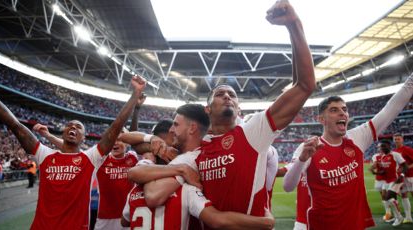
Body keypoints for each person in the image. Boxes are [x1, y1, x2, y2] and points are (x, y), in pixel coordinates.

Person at [135, 2, 316, 224]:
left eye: (233, 95)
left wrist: (294, 25)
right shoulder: (198, 149)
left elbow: (305, 85)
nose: (228, 96)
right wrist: (176, 164)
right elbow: (152, 193)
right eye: (221, 94)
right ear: (207, 109)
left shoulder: (254, 130)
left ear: (238, 108)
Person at [0, 73, 146, 229]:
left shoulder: (90, 158)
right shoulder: (44, 155)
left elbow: (115, 127)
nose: (73, 127)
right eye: (69, 125)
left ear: (83, 138)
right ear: (63, 132)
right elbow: (16, 126)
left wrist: (135, 94)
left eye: (78, 127)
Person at [283, 73, 413, 229]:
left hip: (355, 224)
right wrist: (302, 160)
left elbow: (392, 108)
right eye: (334, 110)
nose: (342, 113)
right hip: (322, 225)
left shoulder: (358, 137)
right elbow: (288, 186)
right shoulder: (310, 147)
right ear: (321, 119)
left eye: (344, 109)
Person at [121, 104, 274, 229]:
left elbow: (152, 194)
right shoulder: (173, 153)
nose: (171, 129)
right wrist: (152, 138)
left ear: (192, 128)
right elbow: (126, 139)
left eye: (175, 124)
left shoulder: (195, 159)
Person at [32, 124, 139, 230]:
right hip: (104, 217)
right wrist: (48, 135)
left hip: (128, 214)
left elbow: (135, 138)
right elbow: (70, 149)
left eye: (120, 139)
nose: (115, 143)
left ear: (126, 143)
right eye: (113, 140)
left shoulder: (133, 158)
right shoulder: (100, 159)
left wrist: (136, 110)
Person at [375, 140, 407, 226]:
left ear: (389, 146)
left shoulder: (395, 155)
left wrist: (402, 175)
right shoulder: (383, 157)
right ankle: (397, 216)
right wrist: (378, 173)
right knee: (387, 199)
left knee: (388, 198)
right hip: (387, 181)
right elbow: (385, 171)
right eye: (381, 146)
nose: (382, 148)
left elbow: (405, 166)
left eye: (384, 146)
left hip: (396, 179)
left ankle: (399, 217)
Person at [393, 133, 413, 223]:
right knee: (404, 195)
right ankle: (408, 217)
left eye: (398, 139)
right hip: (401, 177)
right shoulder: (393, 151)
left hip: (410, 176)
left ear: (402, 139)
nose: (397, 140)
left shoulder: (407, 149)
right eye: (395, 139)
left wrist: (407, 167)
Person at [370, 145, 391, 222]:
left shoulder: (389, 155)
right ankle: (388, 213)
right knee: (383, 196)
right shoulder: (375, 156)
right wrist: (372, 168)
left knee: (385, 195)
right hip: (378, 179)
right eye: (378, 148)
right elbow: (375, 164)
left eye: (381, 147)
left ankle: (389, 213)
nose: (380, 149)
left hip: (387, 179)